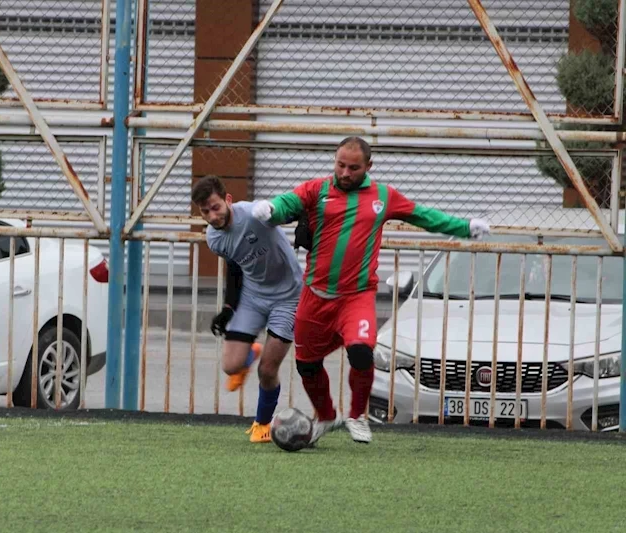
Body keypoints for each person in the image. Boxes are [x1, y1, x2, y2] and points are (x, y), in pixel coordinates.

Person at [252, 136, 490, 444]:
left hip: (357, 296)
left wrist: (463, 227)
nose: (345, 173)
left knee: (362, 352)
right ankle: (326, 416)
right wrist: (270, 208)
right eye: (340, 165)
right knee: (306, 364)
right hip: (315, 295)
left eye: (353, 168)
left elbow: (423, 216)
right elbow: (288, 203)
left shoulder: (383, 196)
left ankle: (357, 415)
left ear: (368, 166)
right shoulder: (317, 189)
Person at [192, 176, 304, 443]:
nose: (212, 216)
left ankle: (262, 424)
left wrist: (304, 226)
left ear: (228, 200)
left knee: (268, 370)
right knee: (230, 367)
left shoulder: (255, 215)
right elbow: (234, 268)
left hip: (288, 297)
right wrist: (229, 307)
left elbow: (294, 208)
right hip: (253, 298)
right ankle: (250, 352)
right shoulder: (214, 238)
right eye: (205, 212)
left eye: (216, 207)